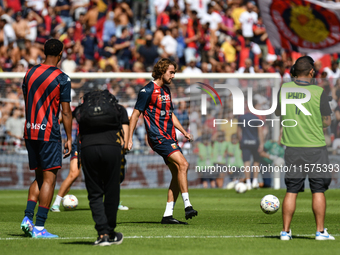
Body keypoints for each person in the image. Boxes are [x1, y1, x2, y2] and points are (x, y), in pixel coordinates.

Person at [128, 58, 198, 224]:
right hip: (157, 136)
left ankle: (168, 215)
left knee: (177, 172)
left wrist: (183, 132)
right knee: (184, 165)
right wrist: (129, 138)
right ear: (161, 71)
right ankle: (188, 205)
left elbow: (170, 114)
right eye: (171, 72)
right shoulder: (147, 91)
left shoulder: (166, 90)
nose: (173, 75)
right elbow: (135, 115)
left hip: (170, 136)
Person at [275, 56, 335, 241]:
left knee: (291, 190)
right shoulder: (318, 92)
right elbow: (327, 121)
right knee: (318, 190)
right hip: (315, 147)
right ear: (311, 72)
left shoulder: (284, 89)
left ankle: (285, 232)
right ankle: (320, 231)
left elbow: (279, 113)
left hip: (292, 147)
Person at [20, 39, 73, 238]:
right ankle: (40, 227)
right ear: (60, 54)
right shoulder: (62, 78)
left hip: (30, 130)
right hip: (48, 132)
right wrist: (69, 137)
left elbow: (27, 98)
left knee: (39, 176)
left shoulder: (29, 73)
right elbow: (66, 113)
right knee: (50, 179)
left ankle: (27, 219)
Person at [78, 90, 128, 246]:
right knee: (112, 191)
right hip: (111, 148)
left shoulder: (81, 110)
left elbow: (67, 118)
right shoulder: (119, 109)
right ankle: (111, 231)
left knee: (95, 193)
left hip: (88, 148)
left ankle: (102, 234)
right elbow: (125, 140)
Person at [237, 101, 264, 190]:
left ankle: (248, 182)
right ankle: (255, 181)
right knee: (256, 162)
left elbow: (238, 131)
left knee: (246, 162)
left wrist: (240, 141)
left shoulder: (241, 118)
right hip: (254, 142)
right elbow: (260, 132)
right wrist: (261, 144)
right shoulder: (256, 118)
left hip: (245, 142)